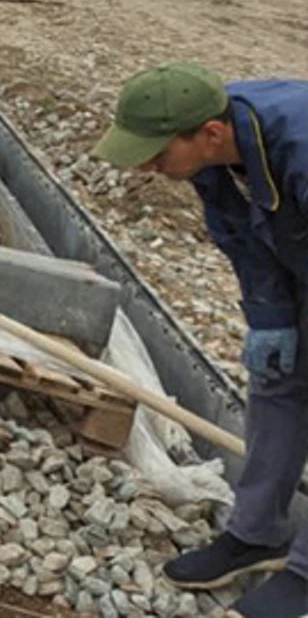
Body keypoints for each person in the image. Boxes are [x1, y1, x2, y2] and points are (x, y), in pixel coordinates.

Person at [92, 63, 308, 618]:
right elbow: (243, 237)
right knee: (277, 382)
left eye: (157, 155)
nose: (147, 166)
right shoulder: (214, 145)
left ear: (209, 135)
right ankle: (257, 533)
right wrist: (271, 315)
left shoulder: (301, 150)